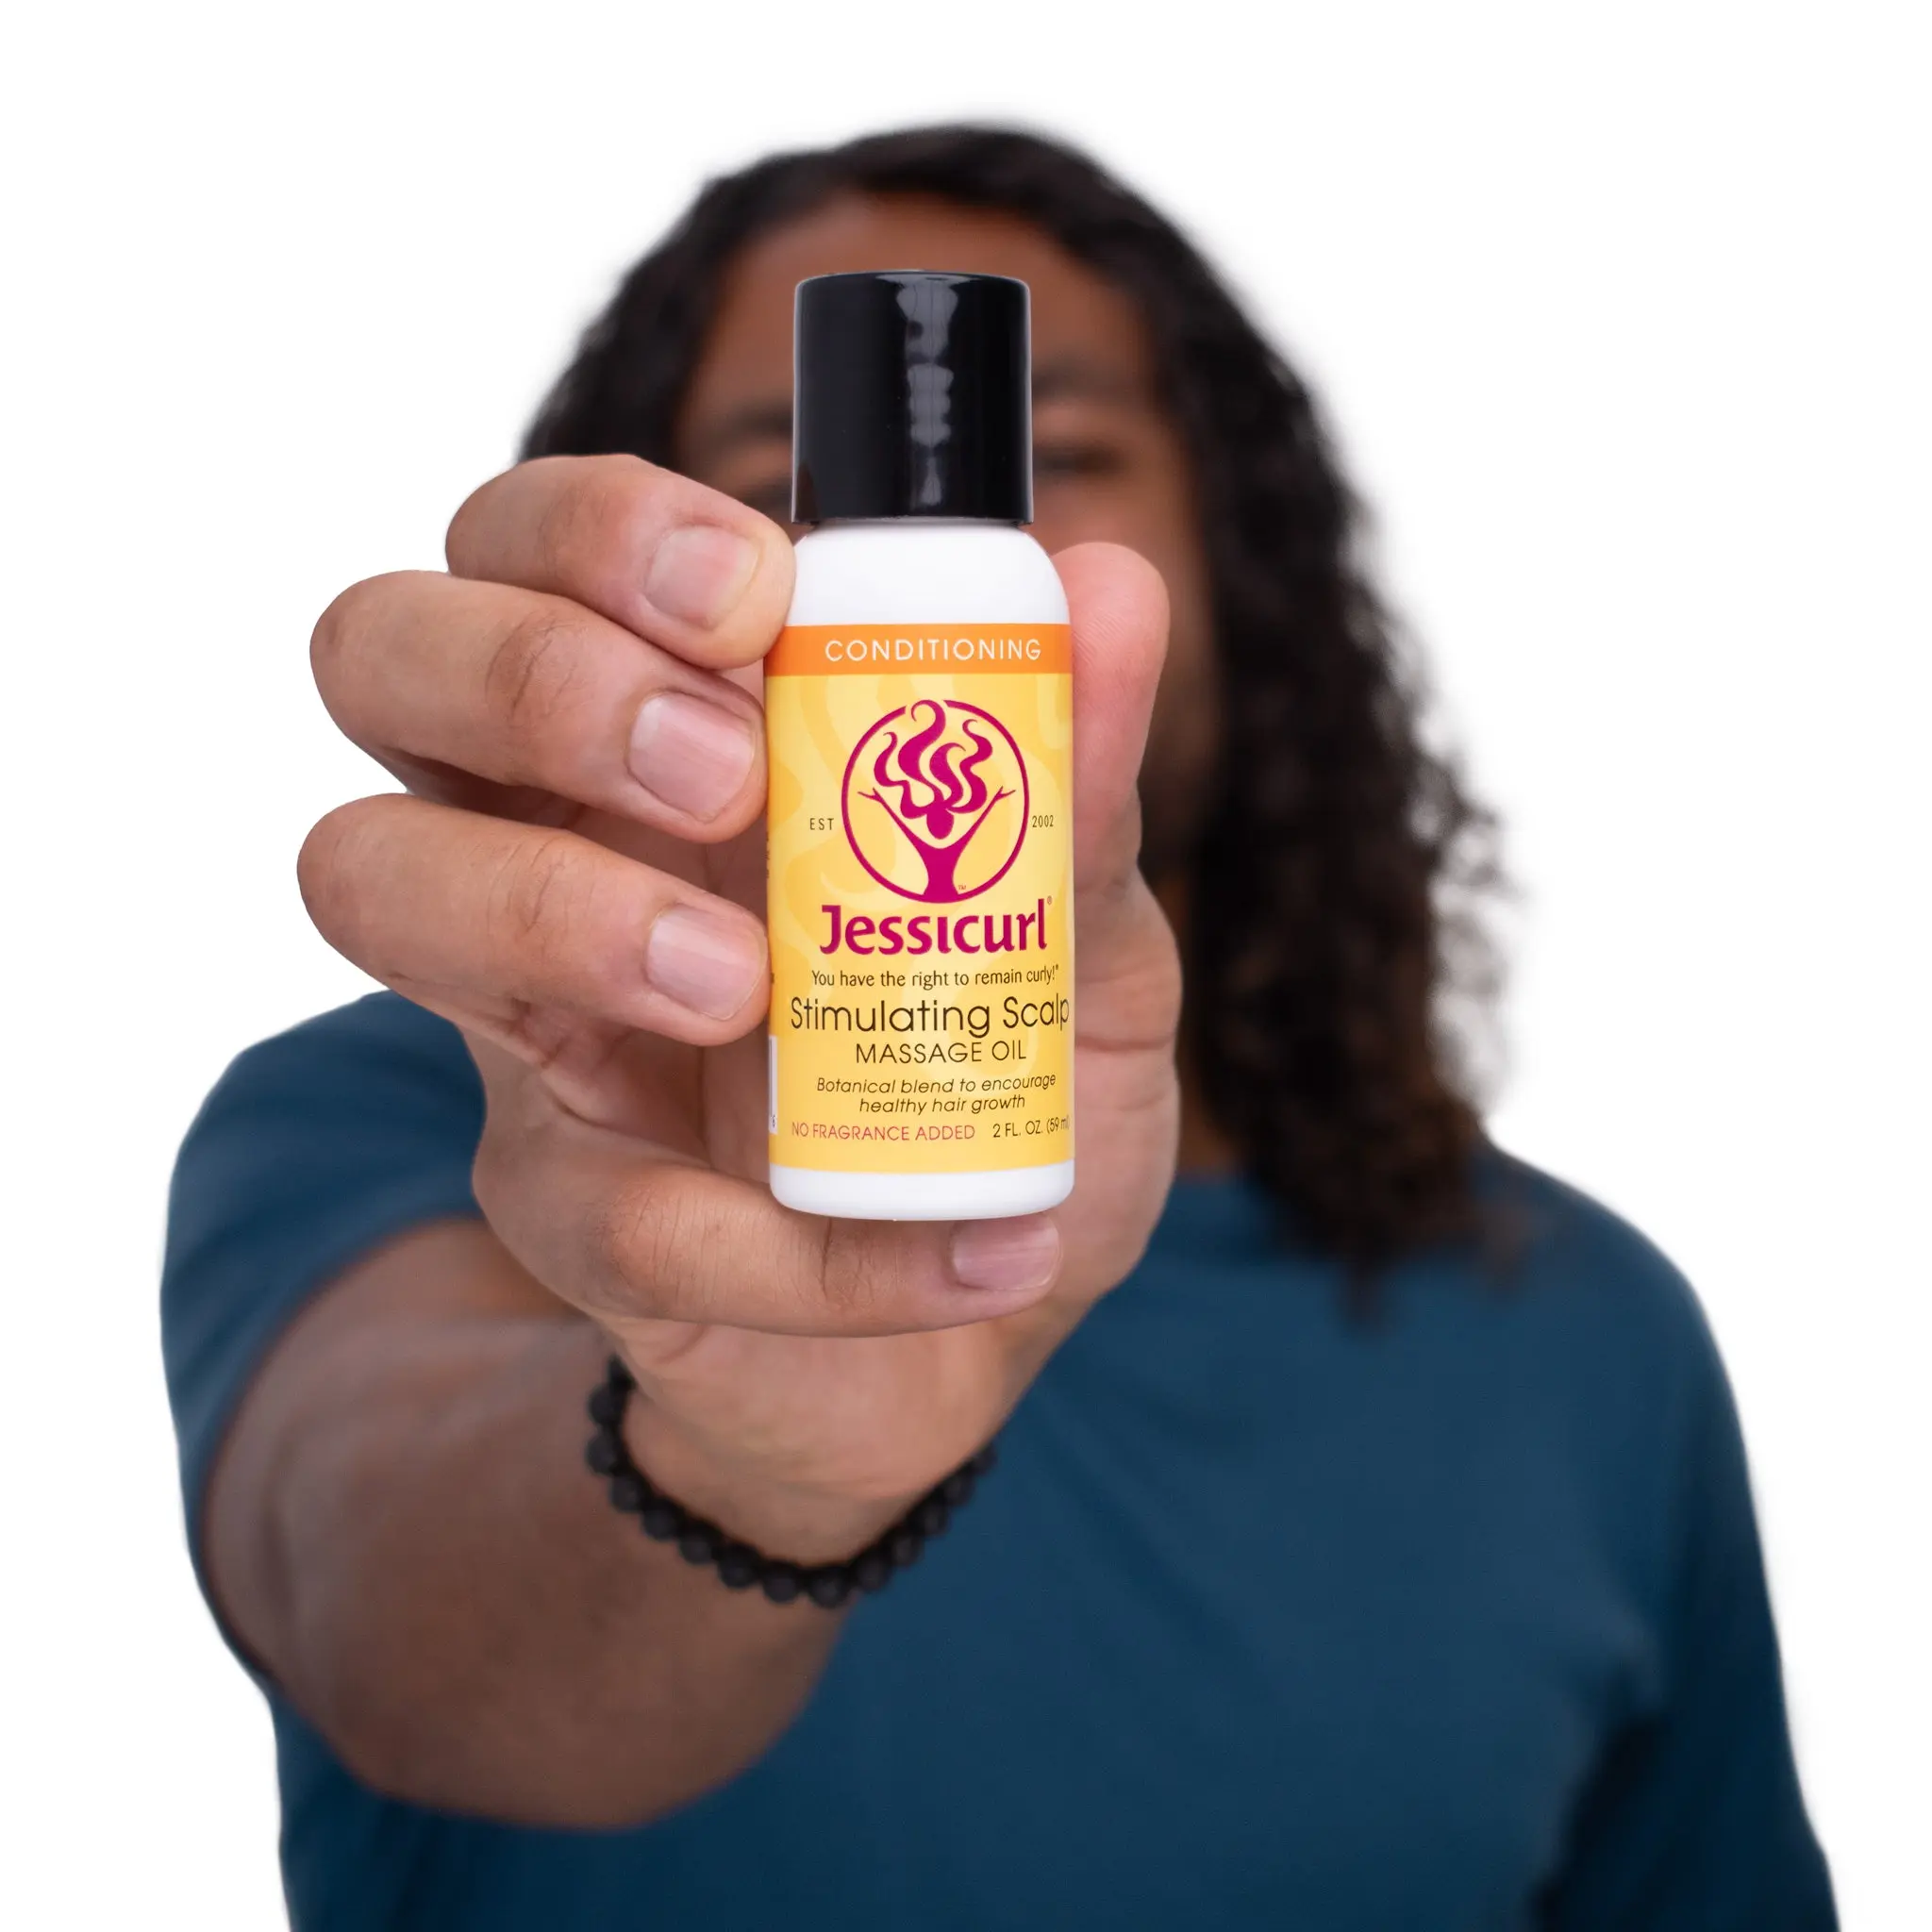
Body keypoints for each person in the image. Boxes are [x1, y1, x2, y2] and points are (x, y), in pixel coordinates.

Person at [161, 125, 1836, 1930]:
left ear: (1247, 553)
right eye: (773, 477)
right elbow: (385, 1618)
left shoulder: (1584, 1327)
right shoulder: (385, 1124)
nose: (986, 508)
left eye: (1078, 453)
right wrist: (743, 1468)